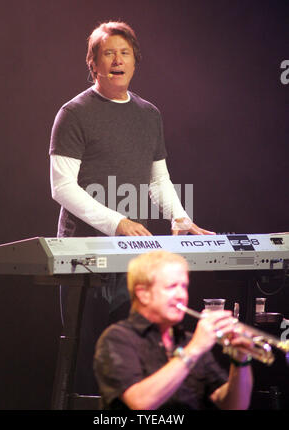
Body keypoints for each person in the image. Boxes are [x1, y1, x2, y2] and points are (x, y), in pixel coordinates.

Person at [49, 21, 215, 395]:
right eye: (108, 53)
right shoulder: (73, 113)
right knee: (88, 361)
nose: (117, 60)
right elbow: (62, 188)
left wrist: (179, 217)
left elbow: (158, 180)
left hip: (132, 258)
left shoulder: (149, 114)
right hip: (83, 255)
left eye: (124, 53)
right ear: (93, 63)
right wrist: (117, 222)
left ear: (135, 61)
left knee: (132, 362)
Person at [94, 250, 254, 410]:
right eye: (172, 287)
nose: (181, 295)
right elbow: (140, 403)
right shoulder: (118, 338)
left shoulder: (188, 341)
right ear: (143, 294)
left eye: (183, 286)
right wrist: (194, 349)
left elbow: (235, 406)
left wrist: (241, 360)